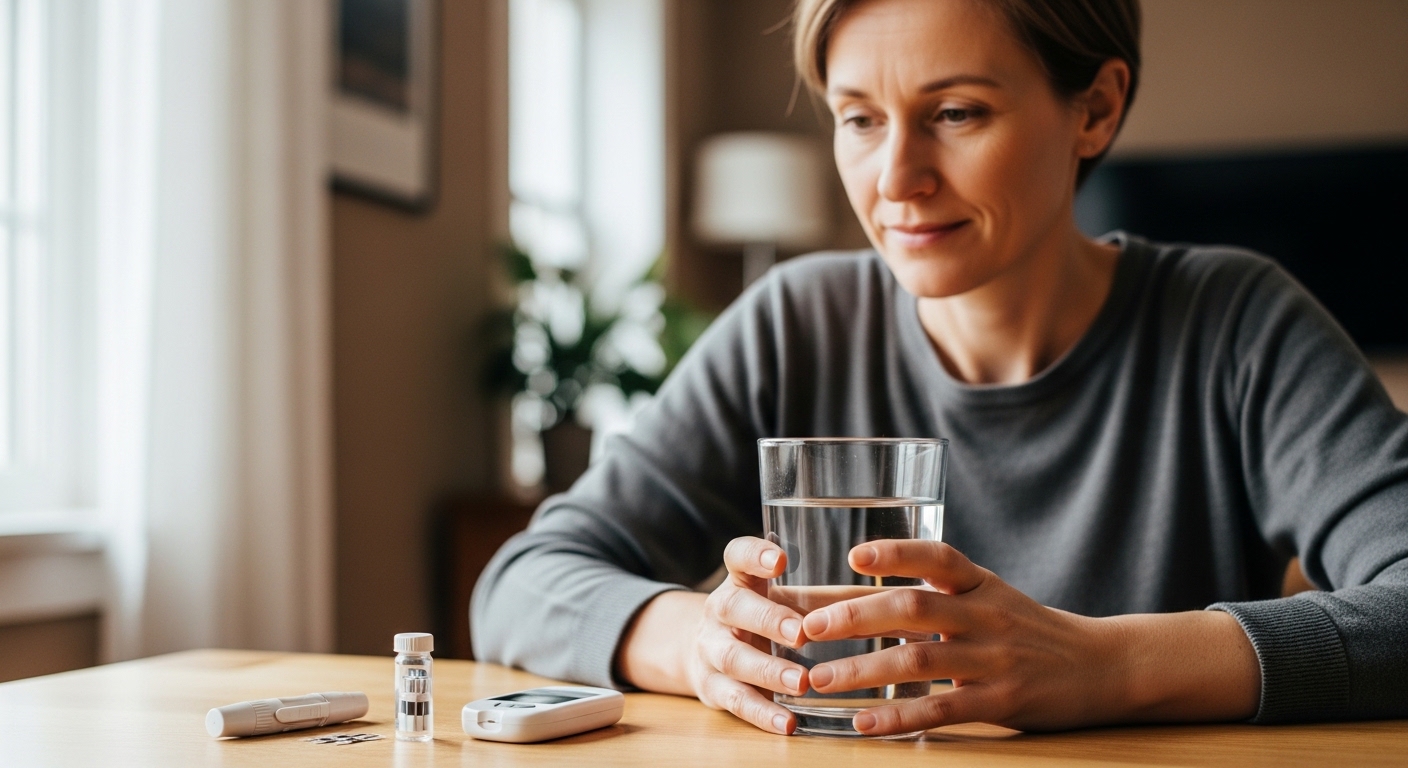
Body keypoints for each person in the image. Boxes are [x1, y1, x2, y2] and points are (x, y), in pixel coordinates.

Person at [473, 0, 1408, 736]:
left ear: (1095, 109)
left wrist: (1106, 664)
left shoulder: (1236, 322)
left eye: (956, 113)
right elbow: (524, 580)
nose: (895, 179)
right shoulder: (794, 322)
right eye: (859, 118)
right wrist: (697, 644)